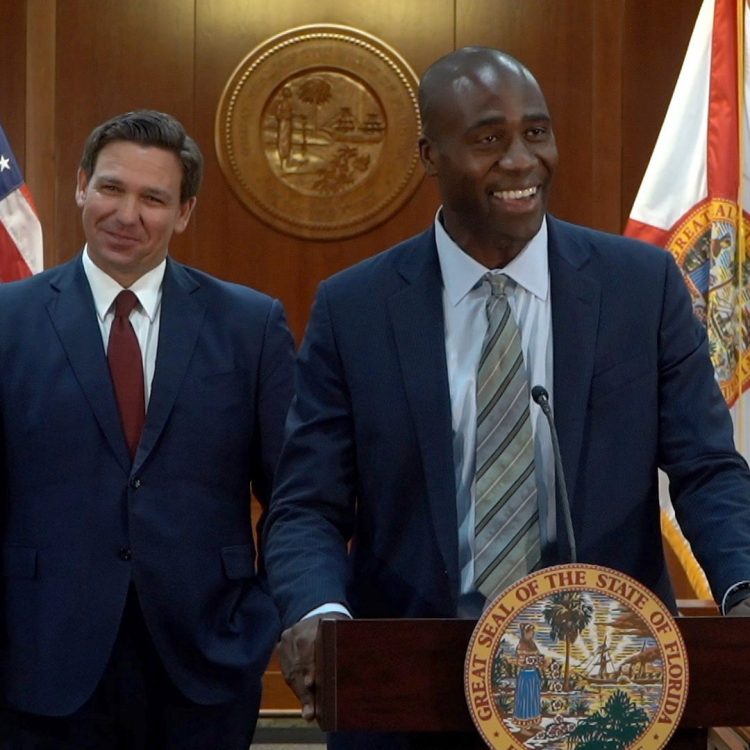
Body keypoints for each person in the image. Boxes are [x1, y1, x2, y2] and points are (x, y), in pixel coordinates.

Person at [263, 47, 750, 749]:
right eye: (489, 139)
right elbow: (307, 503)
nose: (521, 160)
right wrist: (319, 610)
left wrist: (741, 587)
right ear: (430, 154)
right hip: (412, 690)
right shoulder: (357, 308)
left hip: (609, 685)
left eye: (537, 133)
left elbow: (707, 469)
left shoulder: (641, 289)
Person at [0, 110, 294, 749]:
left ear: (184, 211)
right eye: (110, 188)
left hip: (204, 664)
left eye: (153, 198)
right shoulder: (8, 320)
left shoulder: (250, 327)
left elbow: (295, 498)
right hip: (36, 664)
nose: (126, 213)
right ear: (81, 185)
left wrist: (261, 616)